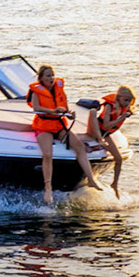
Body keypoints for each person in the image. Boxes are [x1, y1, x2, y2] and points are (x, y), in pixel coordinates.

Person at [28, 63, 104, 204]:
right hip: (44, 126)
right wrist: (53, 111)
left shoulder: (59, 88)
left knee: (80, 147)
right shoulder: (36, 91)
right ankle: (48, 188)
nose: (51, 78)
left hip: (59, 125)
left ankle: (91, 180)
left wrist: (69, 114)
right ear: (41, 78)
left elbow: (66, 108)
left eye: (52, 75)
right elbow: (36, 108)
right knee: (47, 154)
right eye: (48, 76)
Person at [79, 85, 138, 193]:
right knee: (92, 112)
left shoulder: (125, 108)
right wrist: (122, 118)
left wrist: (125, 114)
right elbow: (106, 125)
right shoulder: (109, 107)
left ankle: (114, 184)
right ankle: (97, 142)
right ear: (119, 98)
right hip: (97, 129)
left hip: (105, 134)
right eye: (125, 100)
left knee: (119, 159)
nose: (127, 104)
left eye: (129, 101)